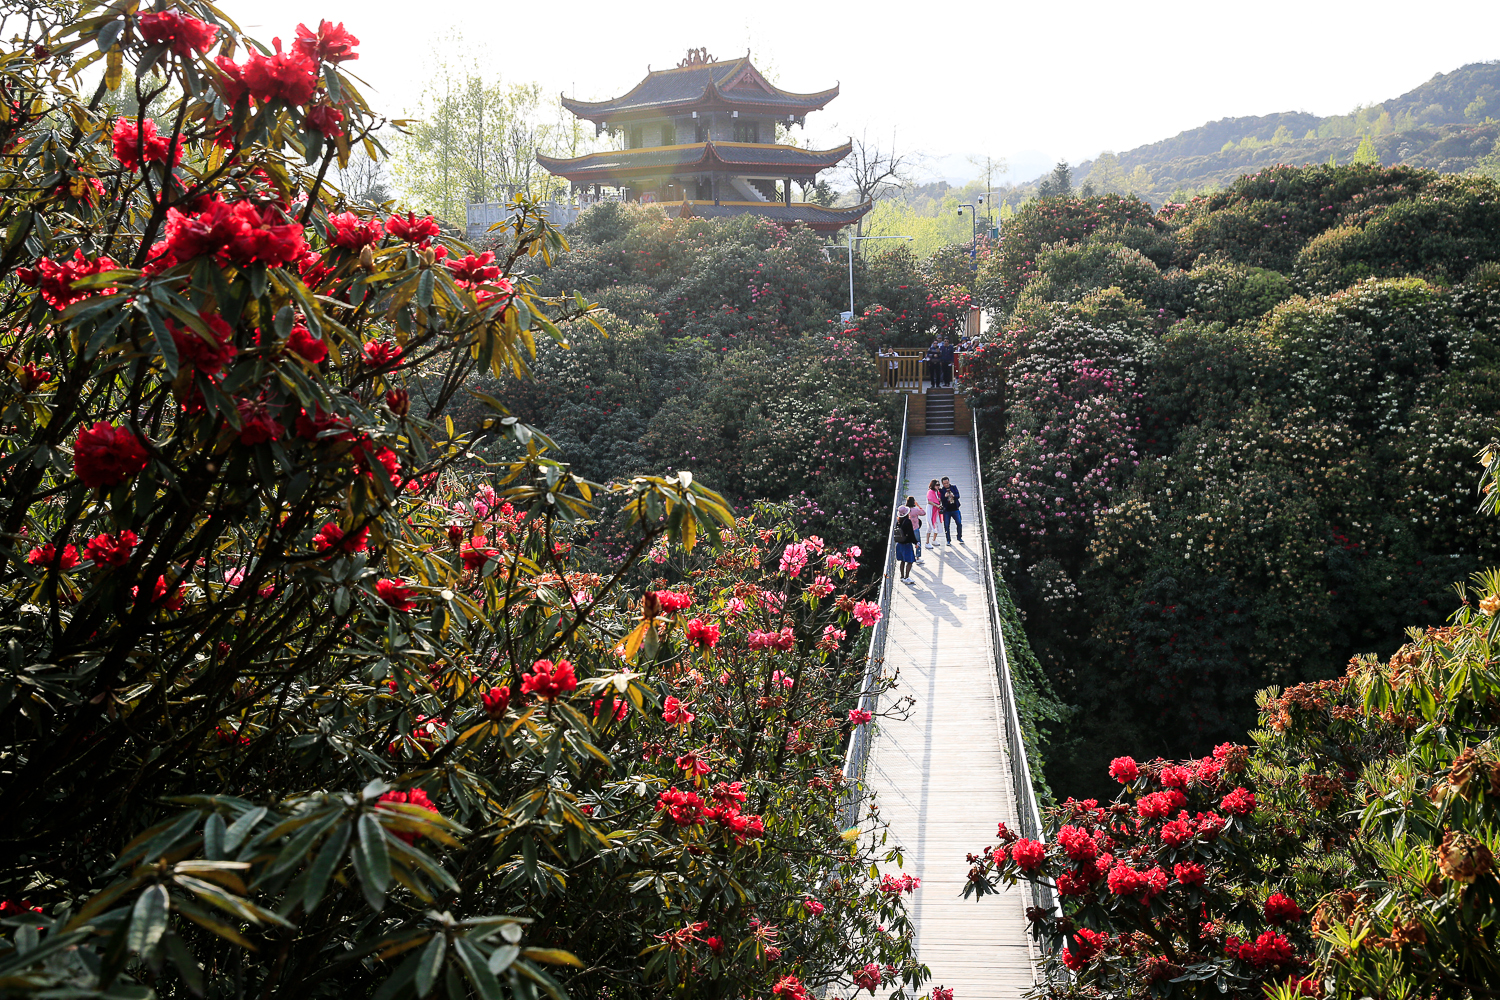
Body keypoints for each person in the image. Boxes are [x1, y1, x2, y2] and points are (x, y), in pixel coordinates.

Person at [894, 503, 918, 584]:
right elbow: (911, 533)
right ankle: (907, 577)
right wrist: (916, 542)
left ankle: (902, 577)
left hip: (899, 544)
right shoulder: (907, 521)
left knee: (902, 561)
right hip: (906, 544)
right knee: (910, 561)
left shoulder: (898, 522)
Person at [939, 475, 963, 545]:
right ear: (942, 484)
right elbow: (941, 500)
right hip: (947, 510)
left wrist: (953, 495)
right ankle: (948, 540)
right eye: (944, 483)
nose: (946, 484)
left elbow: (958, 496)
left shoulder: (953, 487)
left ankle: (959, 537)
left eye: (947, 483)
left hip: (955, 509)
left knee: (959, 523)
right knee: (946, 525)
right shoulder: (941, 490)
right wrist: (945, 496)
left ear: (949, 482)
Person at [907, 495, 924, 562]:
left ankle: (909, 557)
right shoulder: (915, 510)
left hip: (907, 529)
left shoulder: (906, 510)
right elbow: (923, 513)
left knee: (908, 543)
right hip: (915, 528)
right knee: (917, 542)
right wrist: (918, 505)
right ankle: (917, 557)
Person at [926, 479, 943, 547]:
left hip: (936, 509)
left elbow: (938, 500)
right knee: (930, 524)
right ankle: (927, 542)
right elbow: (929, 501)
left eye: (939, 485)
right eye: (937, 485)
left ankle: (934, 540)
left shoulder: (938, 492)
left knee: (937, 523)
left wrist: (939, 501)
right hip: (931, 508)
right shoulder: (930, 492)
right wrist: (937, 505)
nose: (938, 486)